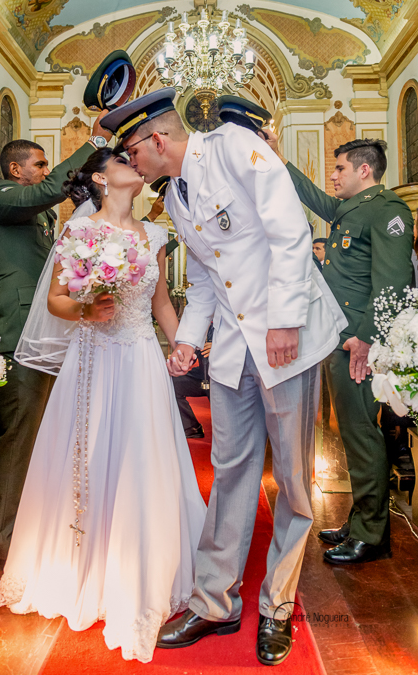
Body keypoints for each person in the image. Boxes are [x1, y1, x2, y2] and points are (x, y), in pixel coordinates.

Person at [102, 89, 346, 666]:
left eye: (131, 149)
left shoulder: (236, 148)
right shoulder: (177, 198)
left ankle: (277, 605)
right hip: (236, 351)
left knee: (291, 478)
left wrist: (284, 321)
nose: (129, 162)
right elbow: (210, 280)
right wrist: (188, 339)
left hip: (288, 339)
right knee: (232, 471)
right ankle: (215, 601)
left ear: (156, 139)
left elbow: (289, 233)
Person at [0, 148, 206, 663]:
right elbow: (56, 301)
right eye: (122, 159)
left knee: (140, 461)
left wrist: (182, 344)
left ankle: (137, 567)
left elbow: (159, 302)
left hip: (138, 358)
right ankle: (79, 566)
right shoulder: (79, 231)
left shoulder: (155, 236)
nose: (135, 164)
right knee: (85, 458)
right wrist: (87, 306)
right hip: (91, 359)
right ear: (100, 176)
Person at [264, 136, 413, 565]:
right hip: (341, 336)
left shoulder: (388, 212)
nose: (332, 176)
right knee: (351, 433)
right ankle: (362, 518)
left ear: (364, 171)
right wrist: (278, 159)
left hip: (358, 344)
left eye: (340, 169)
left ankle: (373, 534)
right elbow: (310, 194)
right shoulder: (351, 209)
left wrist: (365, 337)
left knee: (362, 435)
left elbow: (392, 285)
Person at [0, 127, 105, 568]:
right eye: (40, 164)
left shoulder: (34, 216)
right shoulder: (1, 196)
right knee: (17, 438)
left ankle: (31, 528)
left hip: (47, 333)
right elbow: (49, 191)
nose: (47, 173)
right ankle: (2, 543)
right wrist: (94, 142)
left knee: (42, 438)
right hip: (18, 335)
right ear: (16, 169)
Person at [172, 323, 213, 439]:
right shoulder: (201, 324)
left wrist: (219, 346)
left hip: (223, 376)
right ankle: (191, 427)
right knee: (174, 382)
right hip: (202, 375)